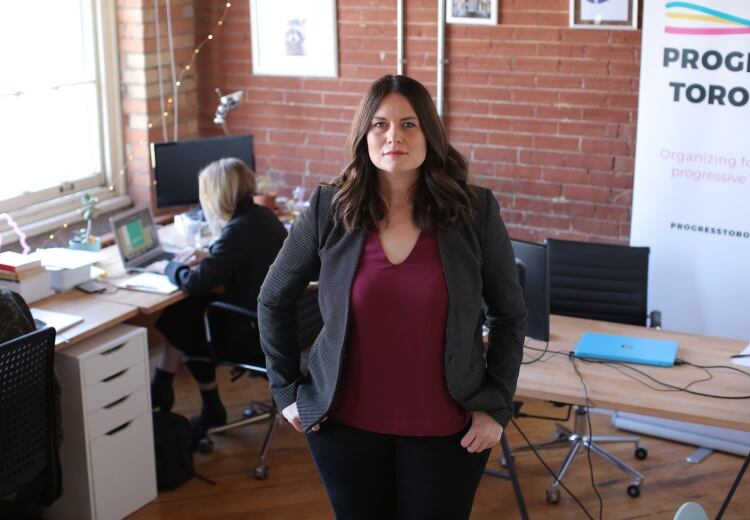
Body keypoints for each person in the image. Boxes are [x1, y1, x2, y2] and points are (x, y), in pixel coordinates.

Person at [258, 75, 527, 519]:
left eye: (409, 124)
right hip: (343, 427)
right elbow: (272, 299)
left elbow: (510, 315)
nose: (393, 137)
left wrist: (496, 407)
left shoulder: (475, 212)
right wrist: (286, 391)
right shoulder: (330, 208)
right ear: (364, 134)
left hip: (449, 429)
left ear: (430, 135)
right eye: (380, 124)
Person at [150, 157, 287, 429]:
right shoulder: (261, 216)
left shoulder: (238, 229)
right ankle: (170, 385)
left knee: (188, 313)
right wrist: (211, 254)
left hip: (254, 335)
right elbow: (241, 256)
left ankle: (179, 390)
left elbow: (193, 283)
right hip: (279, 325)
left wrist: (171, 266)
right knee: (188, 310)